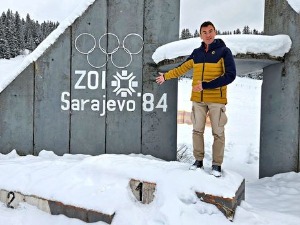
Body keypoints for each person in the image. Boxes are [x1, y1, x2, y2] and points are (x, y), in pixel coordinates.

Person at [156, 21, 236, 177]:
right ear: (200, 35)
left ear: (215, 32)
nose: (208, 35)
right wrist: (166, 76)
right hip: (198, 100)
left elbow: (230, 75)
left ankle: (216, 165)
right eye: (204, 32)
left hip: (216, 100)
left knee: (218, 133)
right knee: (197, 131)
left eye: (210, 31)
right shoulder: (196, 53)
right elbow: (182, 68)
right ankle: (198, 161)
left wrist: (206, 85)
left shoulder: (224, 52)